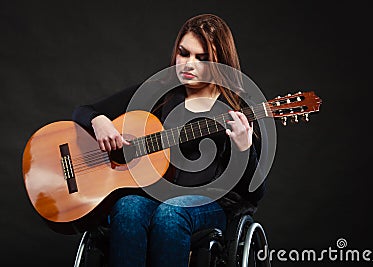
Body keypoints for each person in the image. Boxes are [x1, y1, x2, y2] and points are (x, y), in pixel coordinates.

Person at [72, 13, 267, 267]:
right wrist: (99, 121)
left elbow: (255, 193)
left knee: (171, 213)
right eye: (184, 53)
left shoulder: (238, 108)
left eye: (202, 58)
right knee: (128, 206)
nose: (188, 64)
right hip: (156, 198)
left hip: (210, 206)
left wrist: (245, 148)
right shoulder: (159, 94)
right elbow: (82, 112)